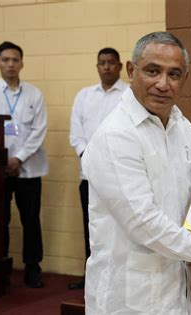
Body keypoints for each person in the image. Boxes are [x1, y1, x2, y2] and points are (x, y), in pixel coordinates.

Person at [81, 31, 191, 314]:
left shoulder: (183, 127)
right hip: (127, 296)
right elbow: (143, 223)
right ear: (131, 70)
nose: (163, 84)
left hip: (174, 284)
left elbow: (189, 190)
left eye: (174, 74)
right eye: (153, 71)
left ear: (185, 78)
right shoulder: (115, 135)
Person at [0, 41, 48, 288]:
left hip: (28, 169)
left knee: (31, 219)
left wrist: (18, 158)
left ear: (22, 63)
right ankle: (1, 270)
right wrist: (2, 159)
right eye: (5, 60)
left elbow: (39, 130)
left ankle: (33, 269)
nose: (10, 64)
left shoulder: (34, 94)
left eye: (15, 60)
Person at [68, 47, 128, 290]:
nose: (106, 67)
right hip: (88, 175)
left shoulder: (129, 95)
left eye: (111, 63)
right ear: (97, 66)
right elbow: (76, 133)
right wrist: (88, 157)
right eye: (102, 63)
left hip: (119, 175)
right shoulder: (84, 96)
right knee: (91, 226)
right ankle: (92, 276)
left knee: (118, 228)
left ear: (121, 66)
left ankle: (117, 279)